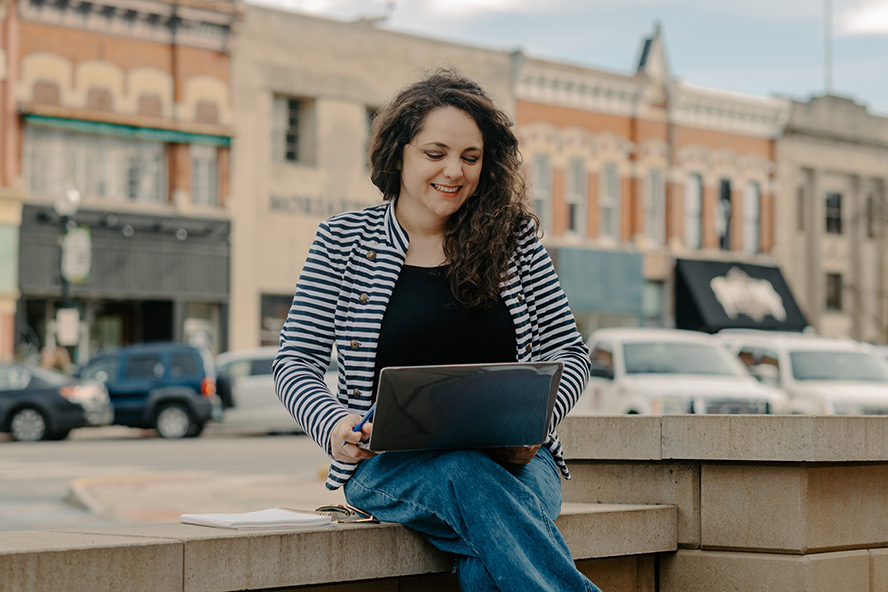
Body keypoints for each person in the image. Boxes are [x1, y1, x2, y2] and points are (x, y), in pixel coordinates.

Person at [273, 68, 601, 592]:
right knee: (467, 478)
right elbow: (295, 361)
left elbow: (569, 350)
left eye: (470, 158)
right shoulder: (341, 240)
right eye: (436, 153)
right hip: (391, 466)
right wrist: (336, 425)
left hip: (517, 464)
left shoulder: (514, 239)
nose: (455, 171)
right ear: (399, 153)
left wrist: (534, 424)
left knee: (486, 546)